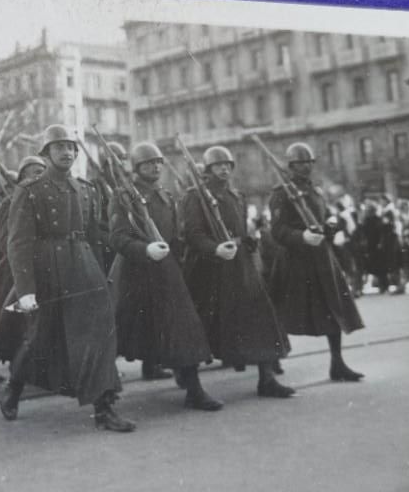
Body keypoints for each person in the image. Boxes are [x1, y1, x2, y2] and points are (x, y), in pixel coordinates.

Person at [1, 124, 135, 431]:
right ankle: (15, 387)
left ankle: (104, 409)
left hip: (84, 269)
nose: (67, 152)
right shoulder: (29, 190)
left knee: (99, 334)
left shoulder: (86, 190)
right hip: (48, 270)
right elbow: (18, 243)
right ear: (46, 153)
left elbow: (93, 238)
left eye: (72, 147)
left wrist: (100, 276)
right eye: (59, 147)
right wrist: (25, 290)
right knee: (40, 337)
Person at [109, 142, 222, 410]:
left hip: (166, 270)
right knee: (117, 335)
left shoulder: (165, 195)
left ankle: (193, 388)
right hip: (134, 274)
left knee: (184, 327)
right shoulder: (123, 195)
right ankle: (104, 394)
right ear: (136, 168)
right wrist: (145, 249)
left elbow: (175, 234)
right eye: (148, 163)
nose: (156, 167)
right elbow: (117, 237)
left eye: (158, 162)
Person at [183, 145, 292, 398]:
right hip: (209, 268)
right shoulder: (195, 196)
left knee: (260, 317)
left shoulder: (236, 196)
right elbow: (193, 234)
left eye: (227, 165)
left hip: (240, 264)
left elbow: (240, 230)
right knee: (203, 326)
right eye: (218, 165)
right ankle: (191, 385)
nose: (224, 169)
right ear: (208, 169)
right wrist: (214, 248)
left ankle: (267, 378)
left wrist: (248, 241)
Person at [269, 142, 365, 382]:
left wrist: (331, 225)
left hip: (321, 258)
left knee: (334, 310)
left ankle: (338, 363)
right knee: (283, 314)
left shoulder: (316, 192)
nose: (306, 167)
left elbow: (325, 217)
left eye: (309, 162)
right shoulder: (281, 193)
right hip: (295, 261)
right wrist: (301, 236)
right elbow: (278, 230)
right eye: (301, 163)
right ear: (290, 166)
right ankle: (271, 359)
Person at [0, 155, 46, 389]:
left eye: (42, 171)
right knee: (2, 322)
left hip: (40, 267)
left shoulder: (43, 198)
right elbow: (5, 239)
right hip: (14, 270)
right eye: (33, 172)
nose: (38, 176)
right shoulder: (10, 202)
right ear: (22, 177)